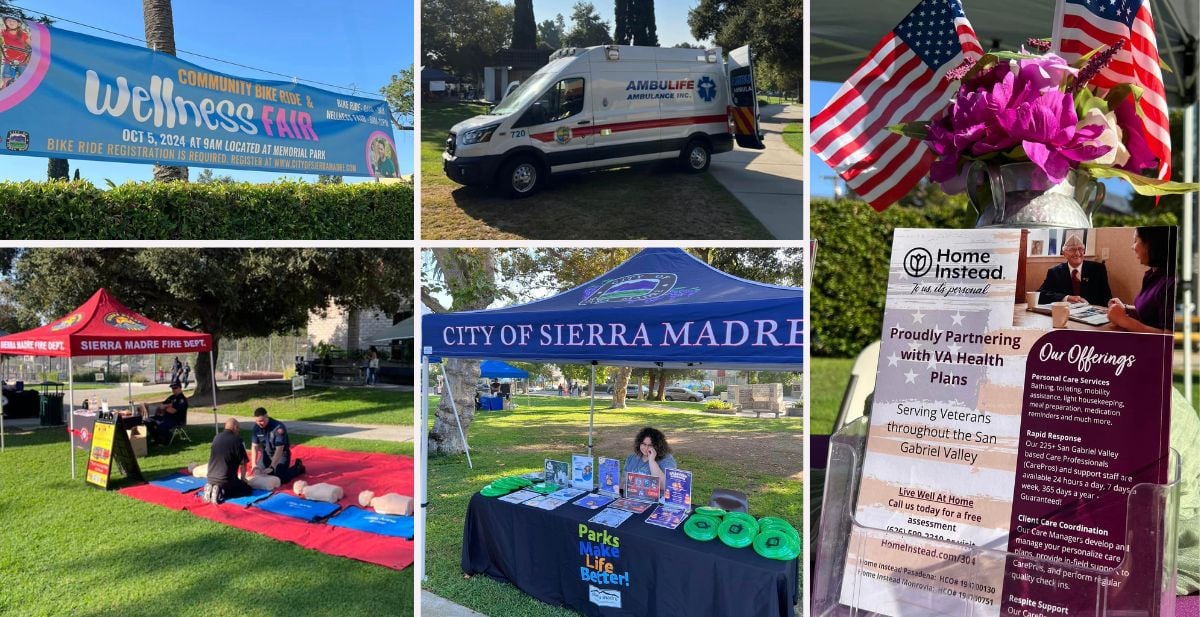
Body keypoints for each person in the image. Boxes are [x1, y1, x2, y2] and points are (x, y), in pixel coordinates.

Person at [1108, 227, 1177, 333]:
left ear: (1152, 243)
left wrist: (1124, 320)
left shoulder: (1172, 283)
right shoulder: (1151, 275)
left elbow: (1169, 338)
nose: (1133, 247)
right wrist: (1125, 308)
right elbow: (1150, 313)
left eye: (1136, 241)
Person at [1036, 234, 1112, 306]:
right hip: (1066, 313)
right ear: (1064, 254)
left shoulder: (1097, 269)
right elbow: (1040, 295)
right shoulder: (1055, 272)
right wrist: (1066, 298)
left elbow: (1107, 298)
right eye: (1072, 249)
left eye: (1080, 249)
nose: (1077, 253)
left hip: (1092, 314)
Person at [201, 418, 253, 504]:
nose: (238, 431)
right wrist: (243, 479)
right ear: (235, 427)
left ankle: (212, 487)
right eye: (238, 429)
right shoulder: (237, 441)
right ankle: (221, 492)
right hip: (225, 480)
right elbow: (243, 463)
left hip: (210, 478)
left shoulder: (216, 437)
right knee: (247, 489)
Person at [250, 407, 305, 482]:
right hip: (267, 454)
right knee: (258, 474)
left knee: (280, 477)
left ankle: (298, 467)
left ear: (267, 416)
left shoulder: (278, 428)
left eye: (261, 421)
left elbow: (279, 449)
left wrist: (272, 467)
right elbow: (254, 446)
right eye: (257, 421)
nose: (259, 423)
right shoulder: (256, 428)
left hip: (281, 454)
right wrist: (254, 465)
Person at [623, 427, 677, 492]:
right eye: (644, 444)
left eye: (650, 445)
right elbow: (623, 481)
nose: (646, 448)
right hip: (632, 499)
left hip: (656, 500)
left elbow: (666, 486)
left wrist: (652, 461)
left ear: (658, 446)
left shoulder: (667, 459)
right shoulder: (632, 458)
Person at [1, 17, 30, 90]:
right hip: (8, 59)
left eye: (14, 21)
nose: (11, 22)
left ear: (19, 24)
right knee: (6, 77)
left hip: (22, 60)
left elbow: (33, 44)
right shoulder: (3, 32)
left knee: (25, 78)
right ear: (5, 23)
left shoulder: (23, 34)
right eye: (9, 20)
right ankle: (4, 92)